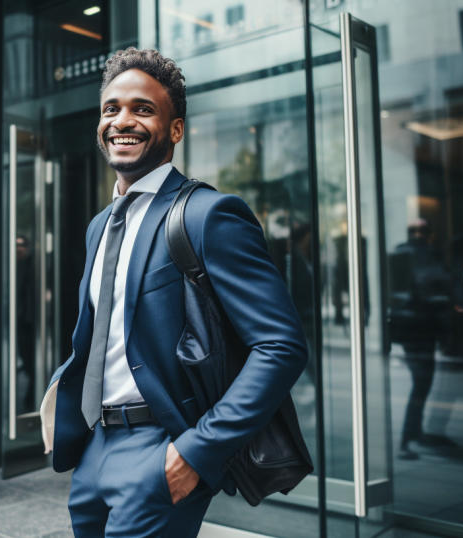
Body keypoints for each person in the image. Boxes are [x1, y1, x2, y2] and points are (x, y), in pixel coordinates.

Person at [43, 48, 308, 537]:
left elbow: (281, 346)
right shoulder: (100, 224)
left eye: (142, 109)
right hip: (94, 449)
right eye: (111, 108)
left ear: (176, 129)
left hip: (160, 448)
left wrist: (197, 451)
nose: (122, 120)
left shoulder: (209, 215)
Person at [387, 219, 453, 460]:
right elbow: (439, 294)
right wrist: (447, 332)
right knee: (421, 384)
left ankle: (415, 433)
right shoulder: (430, 256)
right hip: (423, 328)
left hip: (405, 328)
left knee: (421, 383)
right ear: (429, 235)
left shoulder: (398, 255)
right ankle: (407, 438)